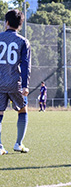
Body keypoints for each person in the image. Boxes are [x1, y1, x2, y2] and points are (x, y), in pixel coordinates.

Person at [0, 9, 31, 155]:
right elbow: (25, 65)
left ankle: (0, 146)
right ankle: (18, 143)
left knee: (0, 113)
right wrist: (25, 86)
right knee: (23, 109)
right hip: (14, 83)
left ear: (6, 22)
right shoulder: (23, 42)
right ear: (20, 25)